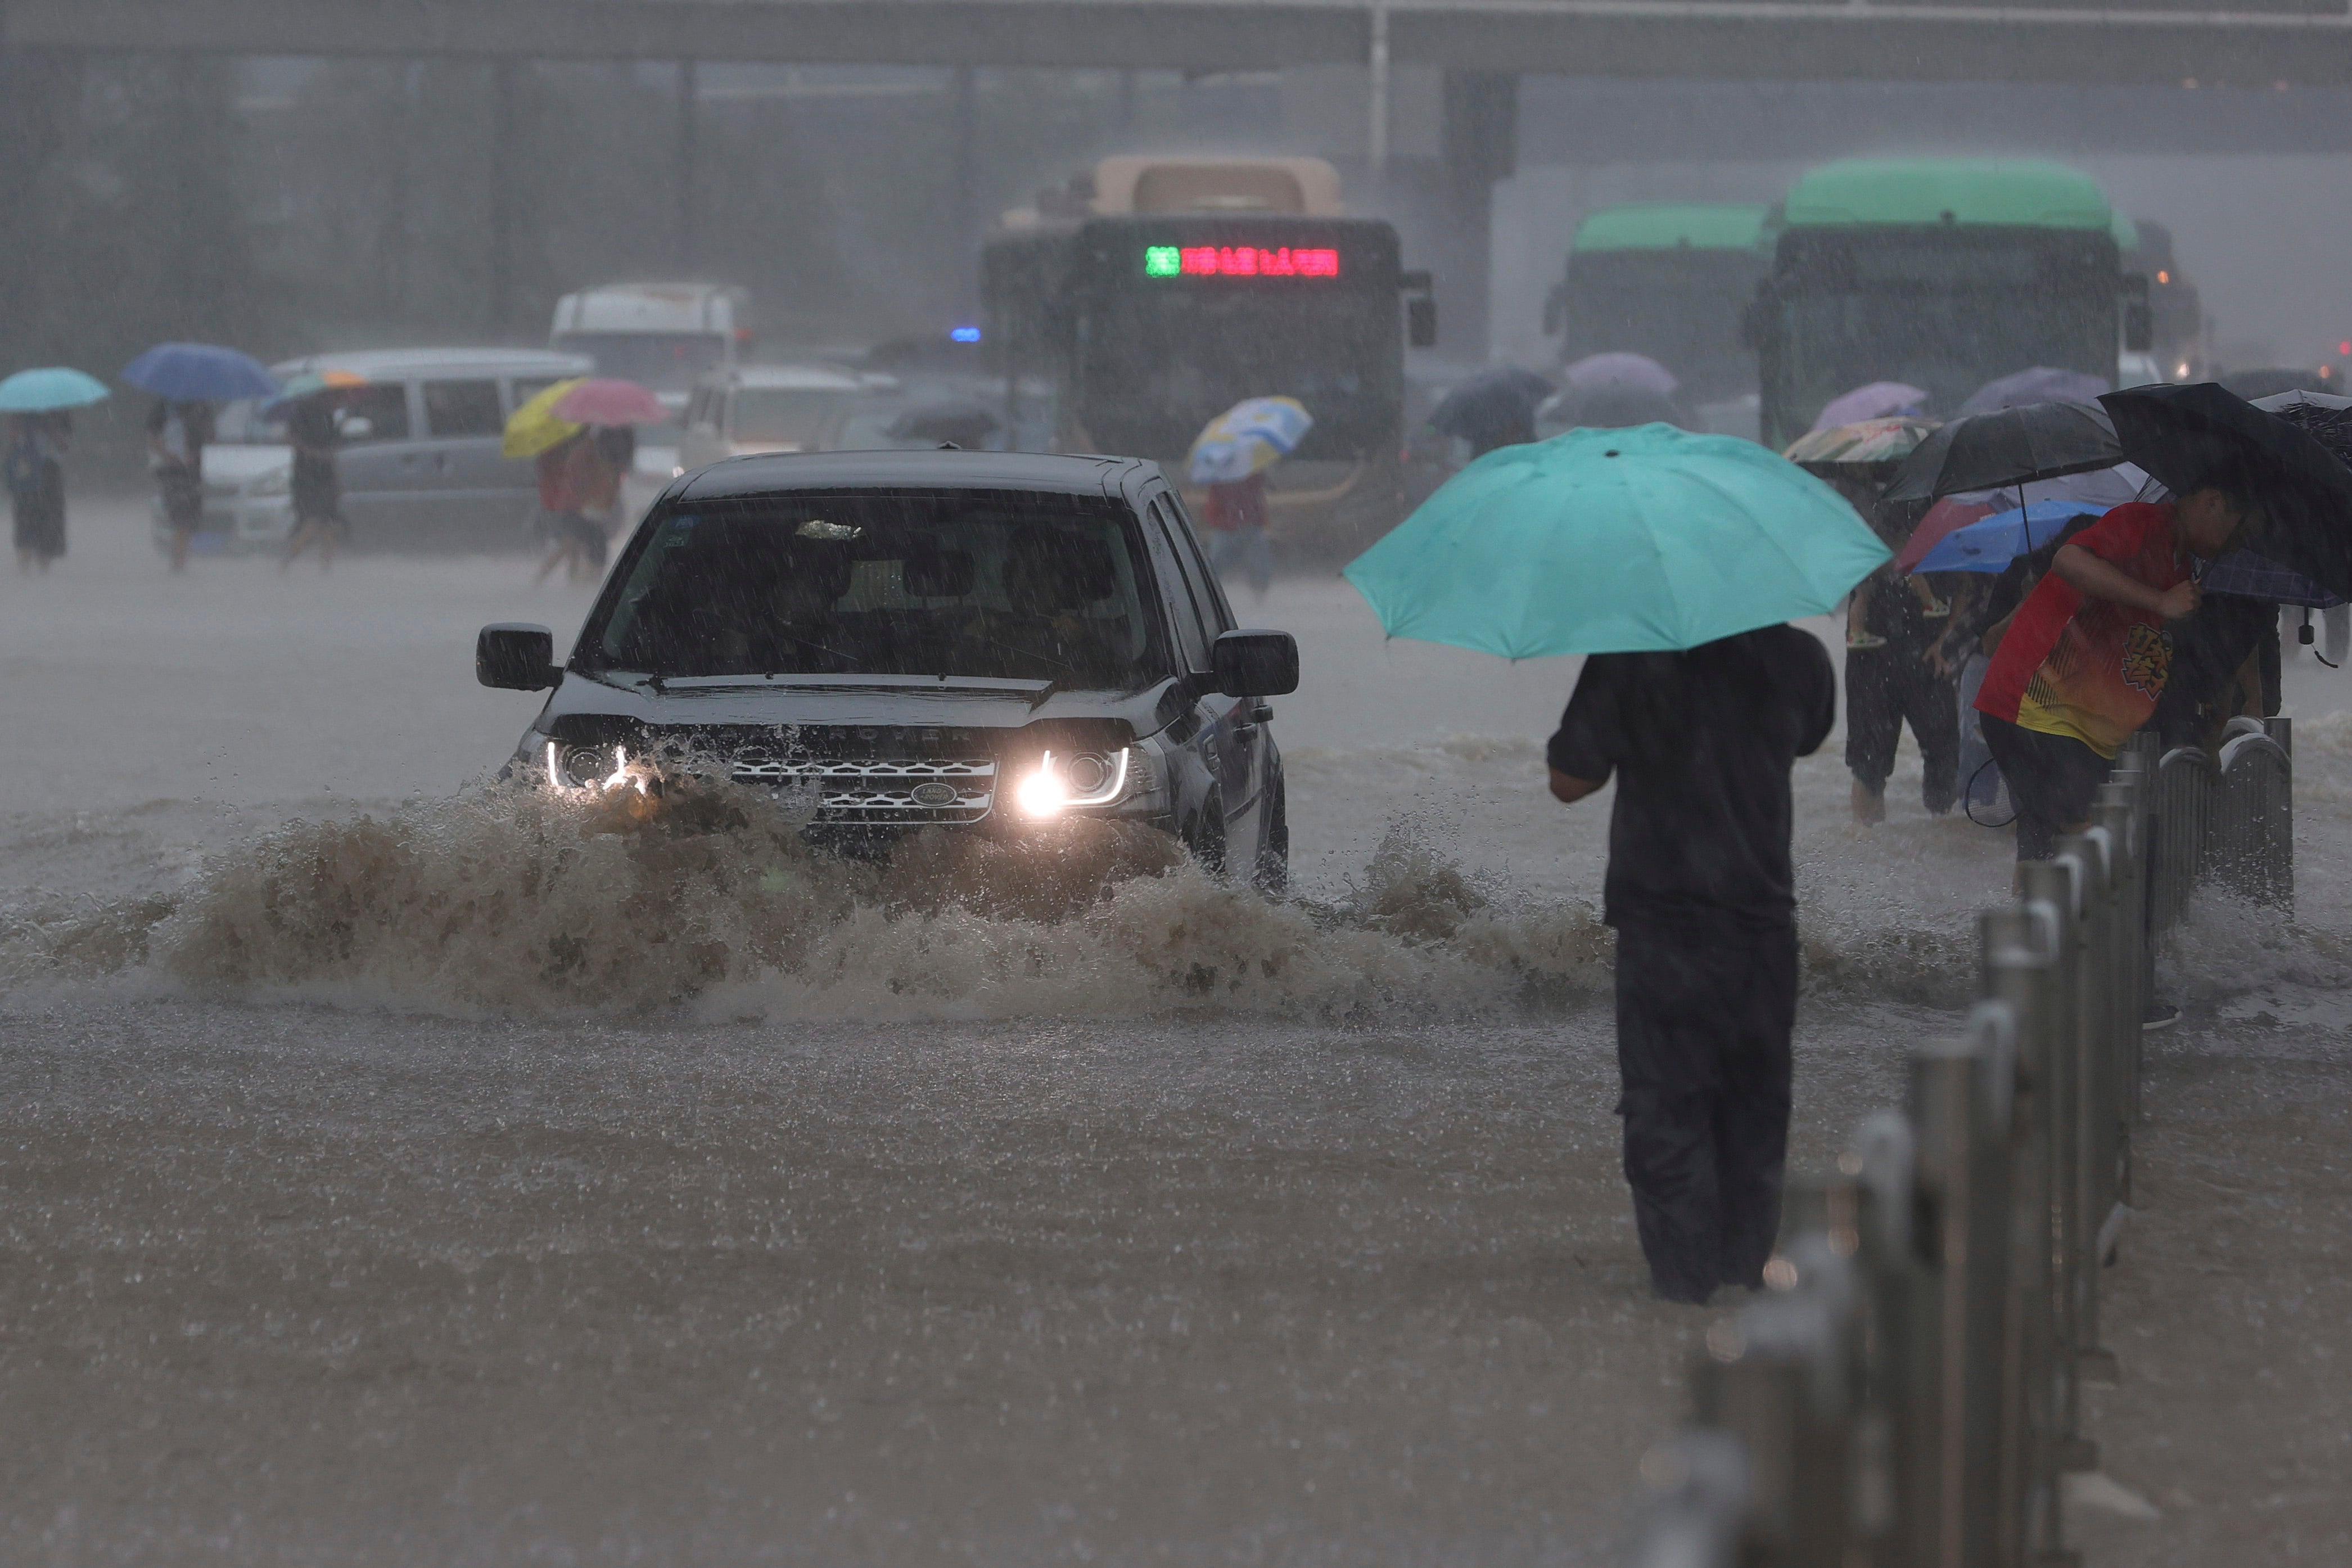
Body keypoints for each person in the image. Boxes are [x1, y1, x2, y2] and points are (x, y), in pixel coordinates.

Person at [1546, 624, 1838, 1305]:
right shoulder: (1799, 655)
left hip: (1662, 929)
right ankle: (1744, 1283)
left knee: (1667, 1109)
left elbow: (1569, 780)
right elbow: (1807, 736)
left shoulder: (1630, 652)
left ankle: (1682, 1291)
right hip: (1762, 926)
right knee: (1755, 1110)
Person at [1974, 480, 2260, 863]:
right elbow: (2068, 560)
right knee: (2090, 840)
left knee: (2050, 847)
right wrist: (2159, 600)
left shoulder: (2182, 568)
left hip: (2084, 731)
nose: (2236, 545)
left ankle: (2032, 896)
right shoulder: (2142, 523)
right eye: (2237, 531)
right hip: (2035, 710)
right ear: (2213, 501)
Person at [280, 391, 349, 571]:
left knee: (329, 523)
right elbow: (290, 437)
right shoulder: (302, 412)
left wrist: (335, 474)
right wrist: (310, 452)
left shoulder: (329, 416)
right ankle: (287, 562)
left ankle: (325, 566)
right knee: (314, 521)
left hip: (325, 476)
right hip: (307, 476)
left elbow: (333, 445)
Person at [148, 398, 213, 573]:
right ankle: (178, 562)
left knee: (189, 521)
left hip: (193, 473)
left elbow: (209, 437)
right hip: (172, 473)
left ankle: (180, 560)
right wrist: (169, 456)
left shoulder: (202, 409)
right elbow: (153, 437)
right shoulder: (164, 408)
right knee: (181, 519)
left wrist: (195, 451)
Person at [6, 412, 67, 573]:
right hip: (27, 470)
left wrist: (54, 432)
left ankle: (44, 557)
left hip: (48, 470)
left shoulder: (59, 415)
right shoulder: (20, 414)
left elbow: (63, 448)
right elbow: (12, 440)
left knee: (49, 514)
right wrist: (20, 431)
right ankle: (25, 553)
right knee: (25, 512)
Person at [1202, 469, 1272, 600]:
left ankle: (1260, 591)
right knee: (1217, 561)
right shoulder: (1220, 481)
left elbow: (1258, 500)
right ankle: (1207, 590)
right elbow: (1214, 506)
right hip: (1227, 528)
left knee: (1259, 561)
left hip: (1248, 526)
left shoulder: (1253, 477)